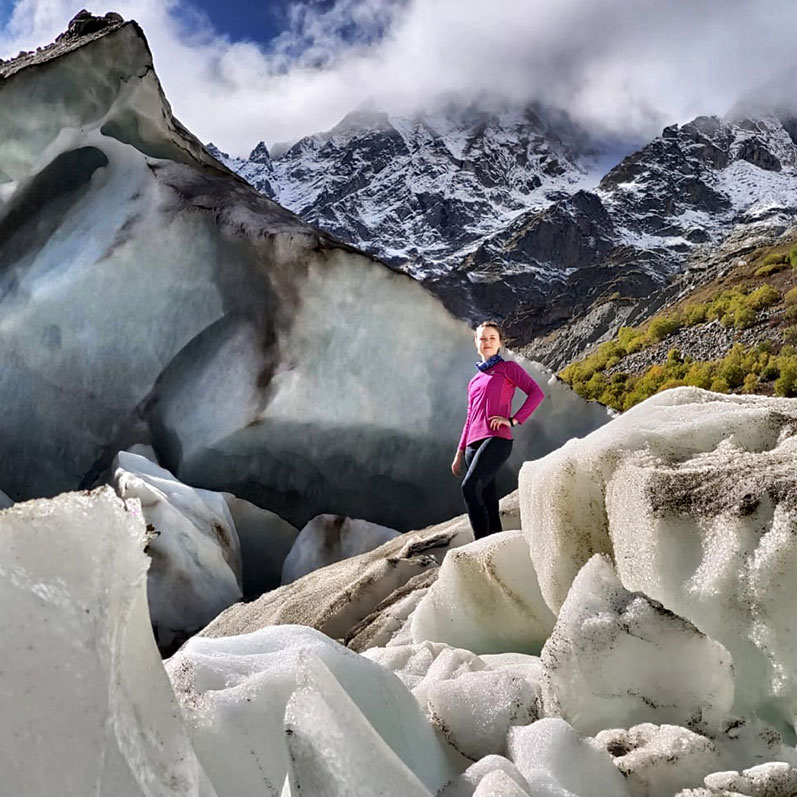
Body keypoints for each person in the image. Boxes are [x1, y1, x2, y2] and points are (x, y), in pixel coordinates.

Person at [451, 321, 544, 538]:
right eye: (483, 338)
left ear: (500, 343)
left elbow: (536, 393)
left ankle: (480, 545)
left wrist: (513, 420)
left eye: (492, 338)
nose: (487, 342)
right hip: (473, 445)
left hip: (496, 438)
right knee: (487, 500)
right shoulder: (474, 380)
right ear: (476, 343)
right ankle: (495, 547)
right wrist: (459, 452)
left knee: (469, 487)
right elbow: (470, 417)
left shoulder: (508, 368)